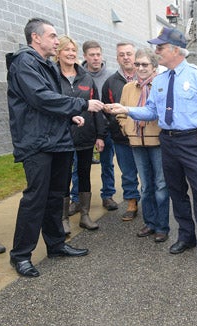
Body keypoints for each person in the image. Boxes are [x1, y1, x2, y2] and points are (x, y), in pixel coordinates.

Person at [106, 27, 197, 267]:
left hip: (192, 141)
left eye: (160, 48)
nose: (156, 52)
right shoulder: (160, 79)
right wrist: (127, 109)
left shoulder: (196, 75)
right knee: (176, 192)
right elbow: (152, 111)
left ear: (175, 50)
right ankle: (186, 237)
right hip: (168, 141)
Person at [6, 18, 104, 277]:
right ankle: (20, 256)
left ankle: (56, 244)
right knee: (35, 199)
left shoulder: (45, 65)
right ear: (36, 38)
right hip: (37, 143)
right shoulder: (24, 63)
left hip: (58, 140)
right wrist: (81, 106)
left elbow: (49, 102)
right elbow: (40, 98)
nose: (56, 40)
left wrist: (69, 115)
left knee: (55, 196)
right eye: (51, 35)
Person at [117, 48, 170, 243]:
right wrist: (125, 127)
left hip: (157, 142)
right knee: (145, 185)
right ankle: (150, 223)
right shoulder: (128, 88)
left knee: (161, 185)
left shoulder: (162, 86)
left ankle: (162, 227)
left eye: (145, 64)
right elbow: (122, 112)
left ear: (154, 67)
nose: (140, 67)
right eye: (137, 64)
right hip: (136, 142)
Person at [56, 35, 107, 233]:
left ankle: (85, 215)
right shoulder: (52, 76)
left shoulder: (86, 77)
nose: (70, 54)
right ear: (58, 53)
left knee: (84, 174)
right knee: (63, 177)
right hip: (62, 136)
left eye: (73, 50)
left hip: (86, 135)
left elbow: (96, 108)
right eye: (66, 50)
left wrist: (100, 135)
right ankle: (63, 219)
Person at [68, 40, 114, 216]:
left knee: (107, 163)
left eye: (98, 54)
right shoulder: (79, 75)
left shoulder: (109, 75)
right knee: (78, 166)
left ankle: (108, 195)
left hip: (105, 127)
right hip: (82, 128)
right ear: (85, 56)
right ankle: (76, 199)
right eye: (91, 55)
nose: (96, 58)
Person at [102, 42, 141, 221]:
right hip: (121, 138)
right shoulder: (110, 82)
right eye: (121, 54)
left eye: (129, 54)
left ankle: (150, 202)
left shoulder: (146, 77)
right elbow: (107, 109)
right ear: (117, 58)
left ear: (135, 56)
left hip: (144, 136)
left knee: (148, 172)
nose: (126, 57)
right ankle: (132, 202)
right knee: (127, 172)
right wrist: (118, 126)